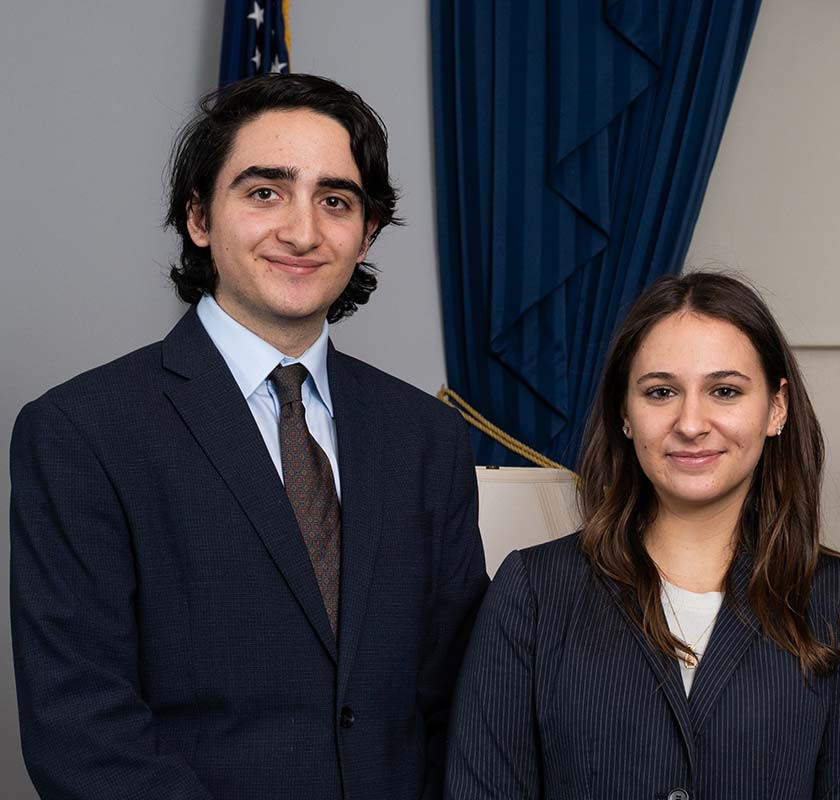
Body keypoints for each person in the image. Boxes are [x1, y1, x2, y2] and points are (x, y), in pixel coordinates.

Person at [10, 73, 489, 799]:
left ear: (367, 234)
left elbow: (464, 703)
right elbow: (79, 730)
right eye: (265, 192)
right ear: (199, 216)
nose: (302, 231)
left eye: (335, 201)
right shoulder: (83, 432)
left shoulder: (428, 438)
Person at [446, 272, 840, 799]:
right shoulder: (533, 591)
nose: (691, 423)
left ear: (776, 408)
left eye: (725, 391)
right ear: (624, 412)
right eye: (661, 392)